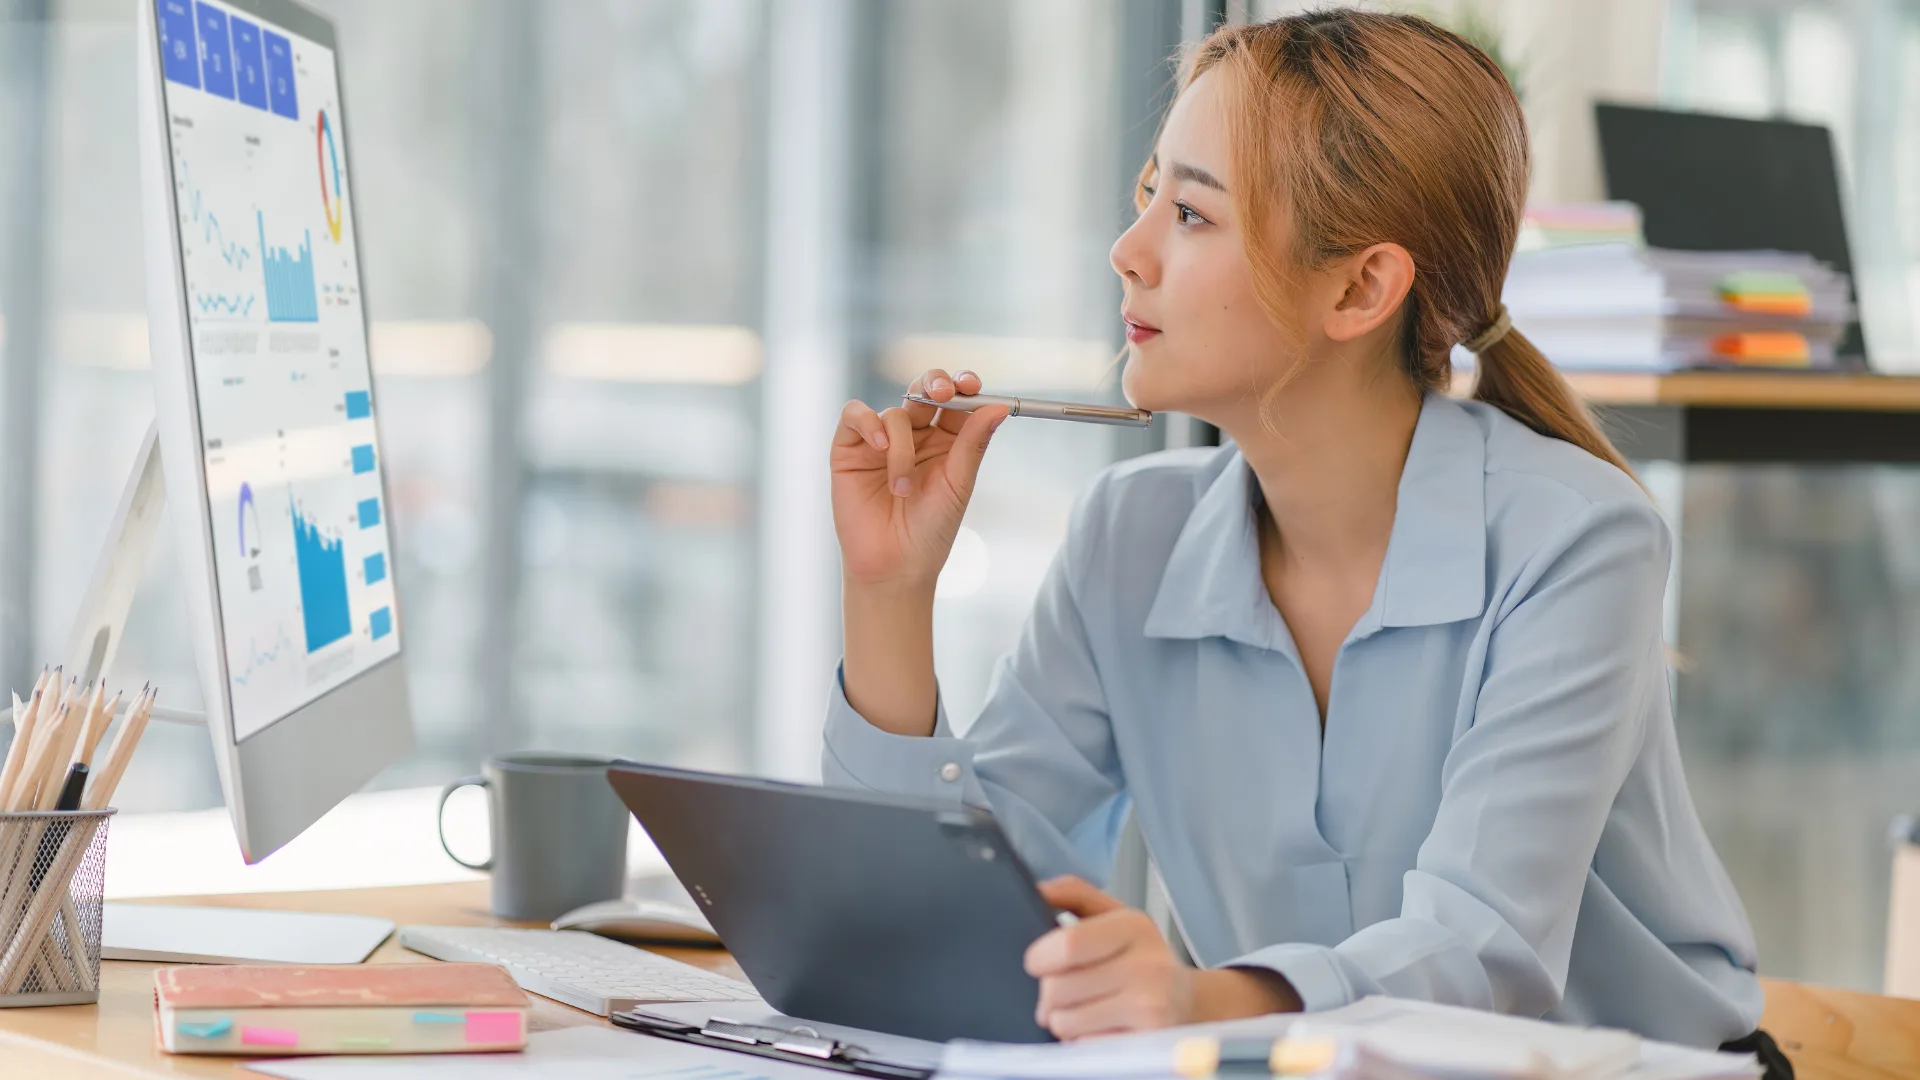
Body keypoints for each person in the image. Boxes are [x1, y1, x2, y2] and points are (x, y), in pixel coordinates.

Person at [823, 7, 1776, 1064]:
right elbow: (954, 912)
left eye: (1190, 215)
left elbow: (1480, 950)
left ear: (1361, 286)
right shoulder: (1128, 534)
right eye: (1150, 196)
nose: (1127, 251)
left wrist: (1190, 1000)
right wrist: (887, 591)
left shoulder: (1579, 539)